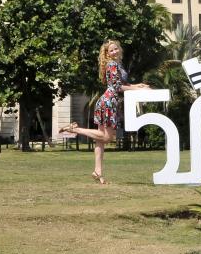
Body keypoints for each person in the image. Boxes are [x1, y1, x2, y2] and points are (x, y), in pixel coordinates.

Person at [60, 40, 148, 184]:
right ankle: (75, 129)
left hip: (108, 102)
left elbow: (122, 84)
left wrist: (136, 85)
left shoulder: (117, 64)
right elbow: (117, 87)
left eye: (116, 49)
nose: (114, 52)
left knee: (100, 140)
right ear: (107, 54)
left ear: (119, 49)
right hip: (108, 102)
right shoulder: (112, 65)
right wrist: (138, 89)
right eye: (111, 51)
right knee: (107, 138)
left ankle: (98, 171)